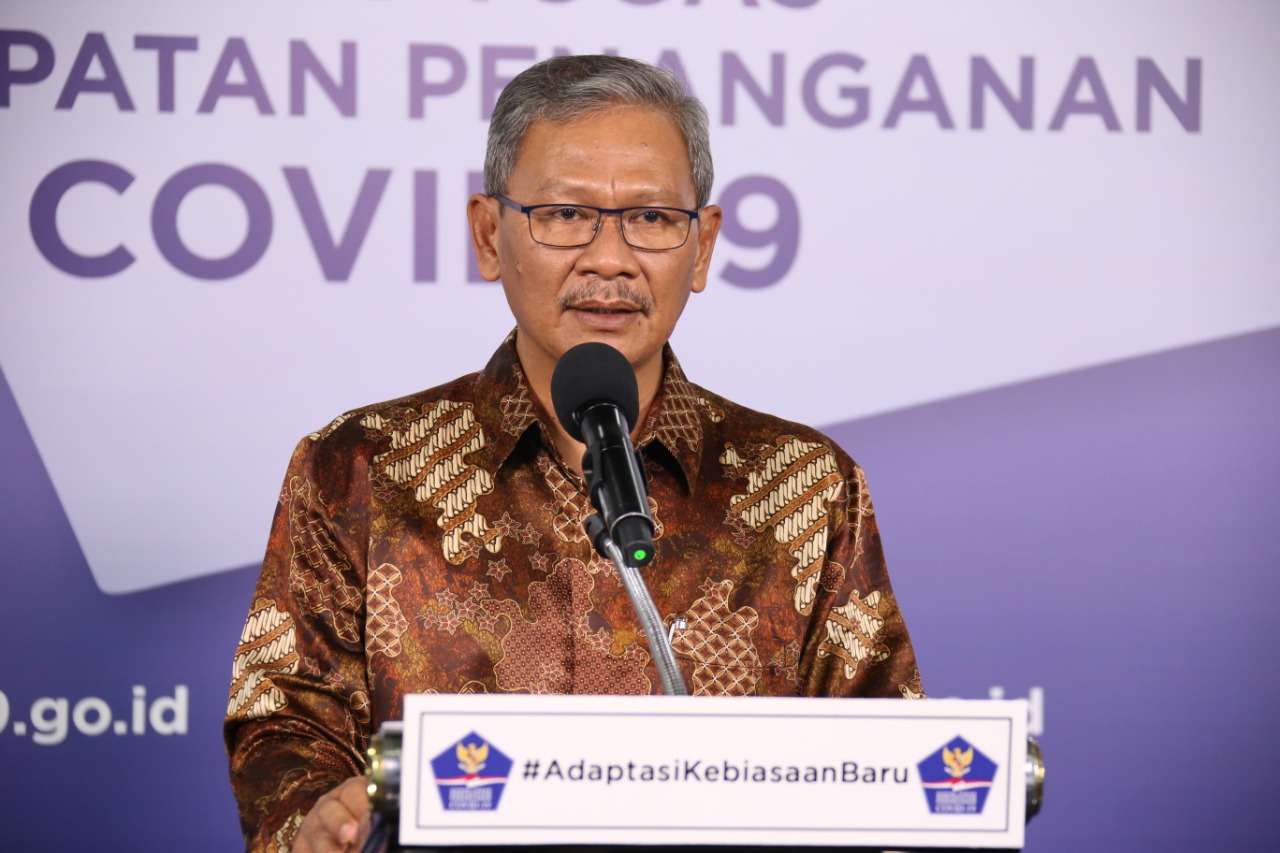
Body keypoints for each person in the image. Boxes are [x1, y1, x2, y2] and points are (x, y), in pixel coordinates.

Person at [225, 54, 923, 853]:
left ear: (702, 247)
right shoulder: (357, 470)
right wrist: (321, 818)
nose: (610, 259)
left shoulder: (803, 485)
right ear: (489, 235)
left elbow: (887, 772)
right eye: (564, 213)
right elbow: (284, 733)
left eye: (652, 217)